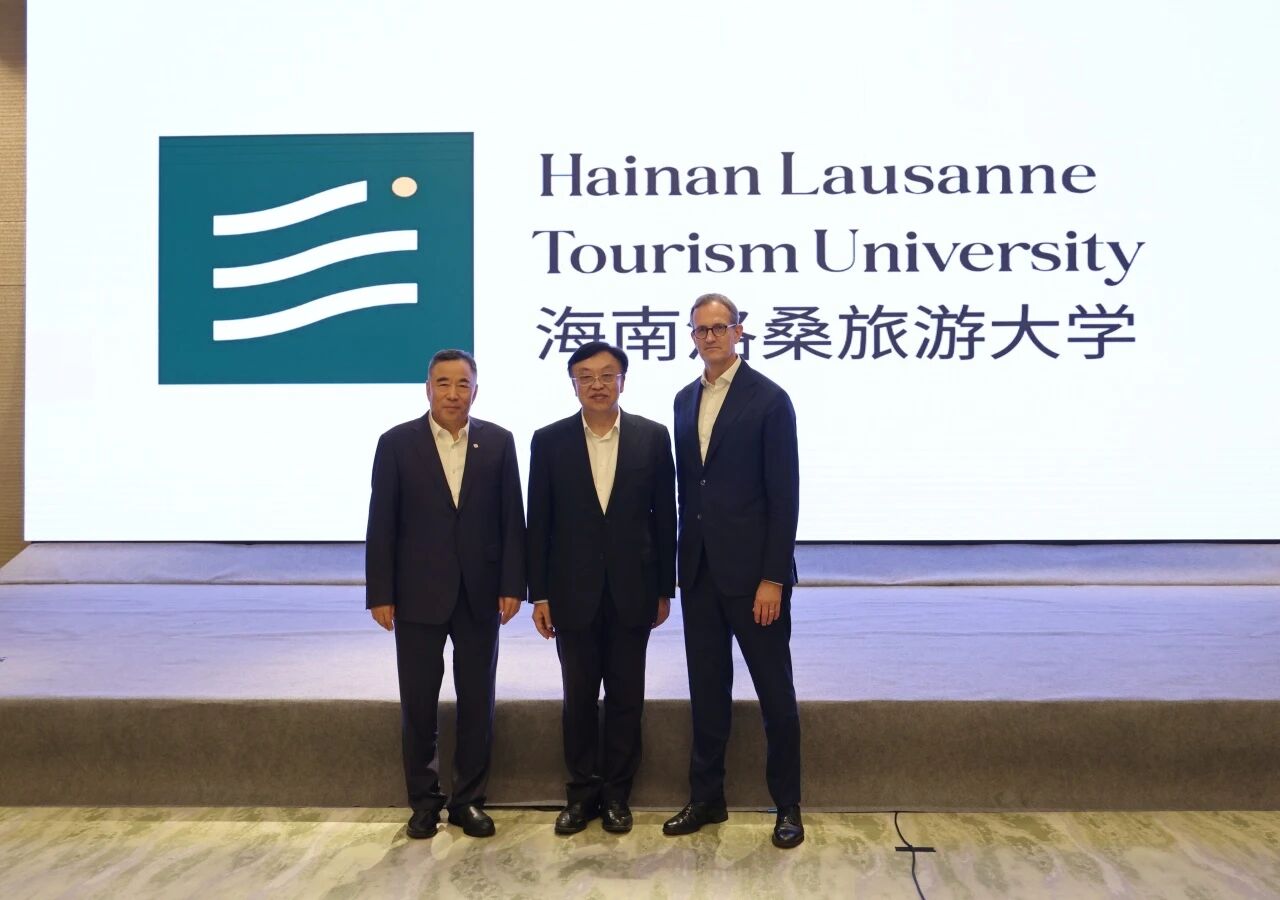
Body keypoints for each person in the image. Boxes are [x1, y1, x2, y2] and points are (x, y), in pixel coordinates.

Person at [365, 348, 526, 840]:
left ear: (475, 390)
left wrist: (512, 585)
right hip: (417, 594)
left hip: (480, 593)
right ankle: (424, 802)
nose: (453, 393)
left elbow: (511, 519)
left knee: (478, 701)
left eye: (462, 384)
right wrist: (380, 592)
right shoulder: (396, 443)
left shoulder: (498, 442)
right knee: (419, 703)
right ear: (428, 388)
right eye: (443, 383)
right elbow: (382, 523)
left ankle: (468, 801)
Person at [663, 293, 805, 849]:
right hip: (700, 573)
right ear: (692, 336)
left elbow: (784, 496)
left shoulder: (769, 399)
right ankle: (707, 798)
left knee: (775, 694)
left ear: (739, 331)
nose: (711, 337)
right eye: (701, 330)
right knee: (706, 692)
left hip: (754, 580)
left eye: (720, 327)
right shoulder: (683, 400)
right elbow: (689, 489)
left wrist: (773, 577)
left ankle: (788, 805)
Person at [526, 341, 677, 835]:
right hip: (572, 594)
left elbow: (665, 517)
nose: (597, 384)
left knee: (627, 698)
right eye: (586, 376)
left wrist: (664, 588)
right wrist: (539, 593)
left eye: (607, 375)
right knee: (579, 699)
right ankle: (581, 794)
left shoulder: (652, 437)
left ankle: (616, 795)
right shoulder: (549, 441)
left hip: (634, 591)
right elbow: (539, 522)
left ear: (622, 381)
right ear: (573, 384)